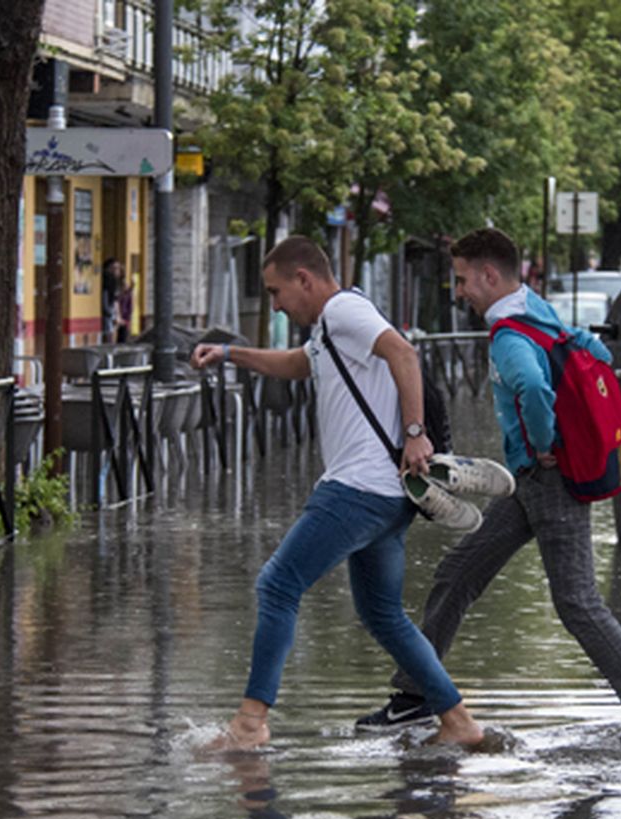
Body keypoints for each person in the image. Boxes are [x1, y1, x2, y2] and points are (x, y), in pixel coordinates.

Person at [357, 227, 621, 744]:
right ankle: (415, 695)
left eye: (465, 280)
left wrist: (543, 442)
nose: (461, 291)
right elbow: (594, 353)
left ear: (490, 276)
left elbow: (534, 386)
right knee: (457, 573)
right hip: (532, 483)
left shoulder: (511, 335)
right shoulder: (536, 311)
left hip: (547, 476)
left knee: (577, 602)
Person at [190, 235, 484, 751]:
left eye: (277, 292)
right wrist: (231, 353)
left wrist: (415, 434)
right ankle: (458, 722)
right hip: (387, 496)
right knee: (381, 614)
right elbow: (298, 364)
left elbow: (404, 354)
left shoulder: (345, 310)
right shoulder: (330, 329)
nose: (276, 303)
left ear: (305, 279)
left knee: (278, 584)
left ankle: (249, 724)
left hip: (357, 487)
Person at [101, 257, 129, 343]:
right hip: (108, 317)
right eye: (114, 268)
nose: (117, 271)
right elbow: (107, 301)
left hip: (112, 316)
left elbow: (116, 300)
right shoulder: (108, 282)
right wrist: (114, 316)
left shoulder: (117, 283)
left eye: (118, 268)